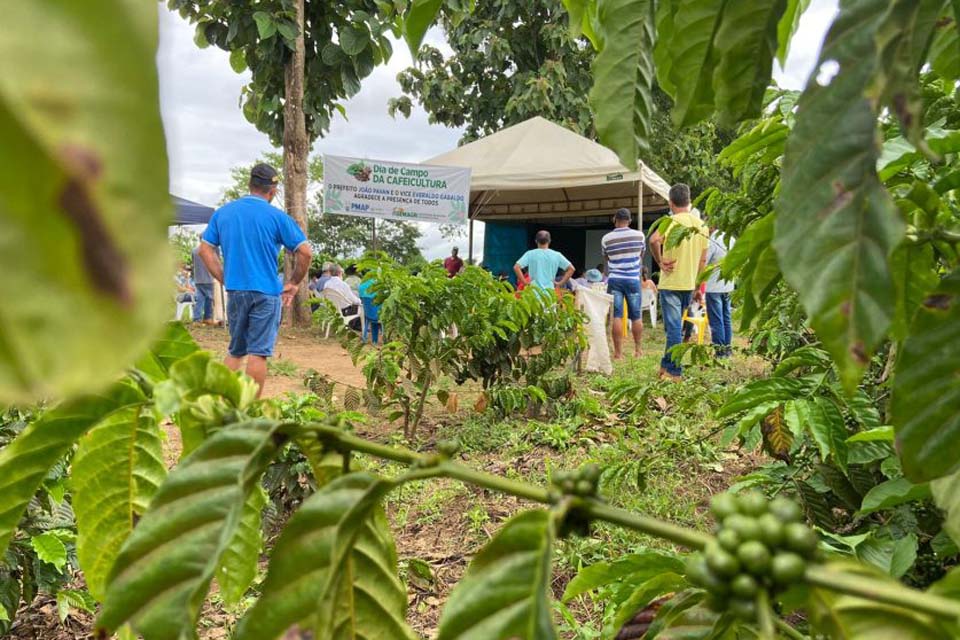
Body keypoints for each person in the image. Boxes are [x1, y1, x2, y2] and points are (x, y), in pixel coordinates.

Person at [197, 162, 312, 397]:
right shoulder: (277, 217)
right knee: (258, 353)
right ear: (272, 191)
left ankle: (222, 403)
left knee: (236, 351)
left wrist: (224, 277)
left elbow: (205, 250)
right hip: (266, 292)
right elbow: (305, 252)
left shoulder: (224, 213)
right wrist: (294, 282)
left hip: (236, 290)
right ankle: (249, 409)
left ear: (250, 185)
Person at [649, 184, 709, 380]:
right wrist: (698, 286)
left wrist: (660, 262)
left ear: (671, 203)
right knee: (674, 329)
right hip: (689, 285)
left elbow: (653, 240)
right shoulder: (701, 226)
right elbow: (703, 260)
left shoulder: (669, 221)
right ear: (689, 201)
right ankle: (665, 367)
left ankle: (674, 371)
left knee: (673, 329)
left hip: (670, 284)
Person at [602, 207, 646, 359]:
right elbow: (641, 255)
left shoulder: (606, 238)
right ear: (630, 220)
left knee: (617, 316)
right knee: (636, 315)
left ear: (615, 219)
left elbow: (606, 259)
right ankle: (638, 350)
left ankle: (618, 354)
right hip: (633, 279)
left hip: (615, 280)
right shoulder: (639, 236)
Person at [705, 225, 735, 357]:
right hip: (728, 284)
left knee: (716, 319)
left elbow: (704, 261)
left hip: (713, 286)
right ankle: (728, 348)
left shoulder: (712, 241)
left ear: (712, 226)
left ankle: (720, 351)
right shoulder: (731, 239)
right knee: (726, 317)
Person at [191, 244, 217, 324]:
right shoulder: (211, 250)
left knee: (200, 299)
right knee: (209, 299)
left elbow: (193, 263)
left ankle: (196, 319)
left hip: (198, 279)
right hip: (208, 278)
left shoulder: (194, 250)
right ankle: (207, 318)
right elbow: (216, 263)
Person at [358, 277, 381, 344]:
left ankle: (373, 340)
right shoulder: (380, 286)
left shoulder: (362, 286)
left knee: (373, 318)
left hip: (368, 315)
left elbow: (361, 299)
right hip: (379, 315)